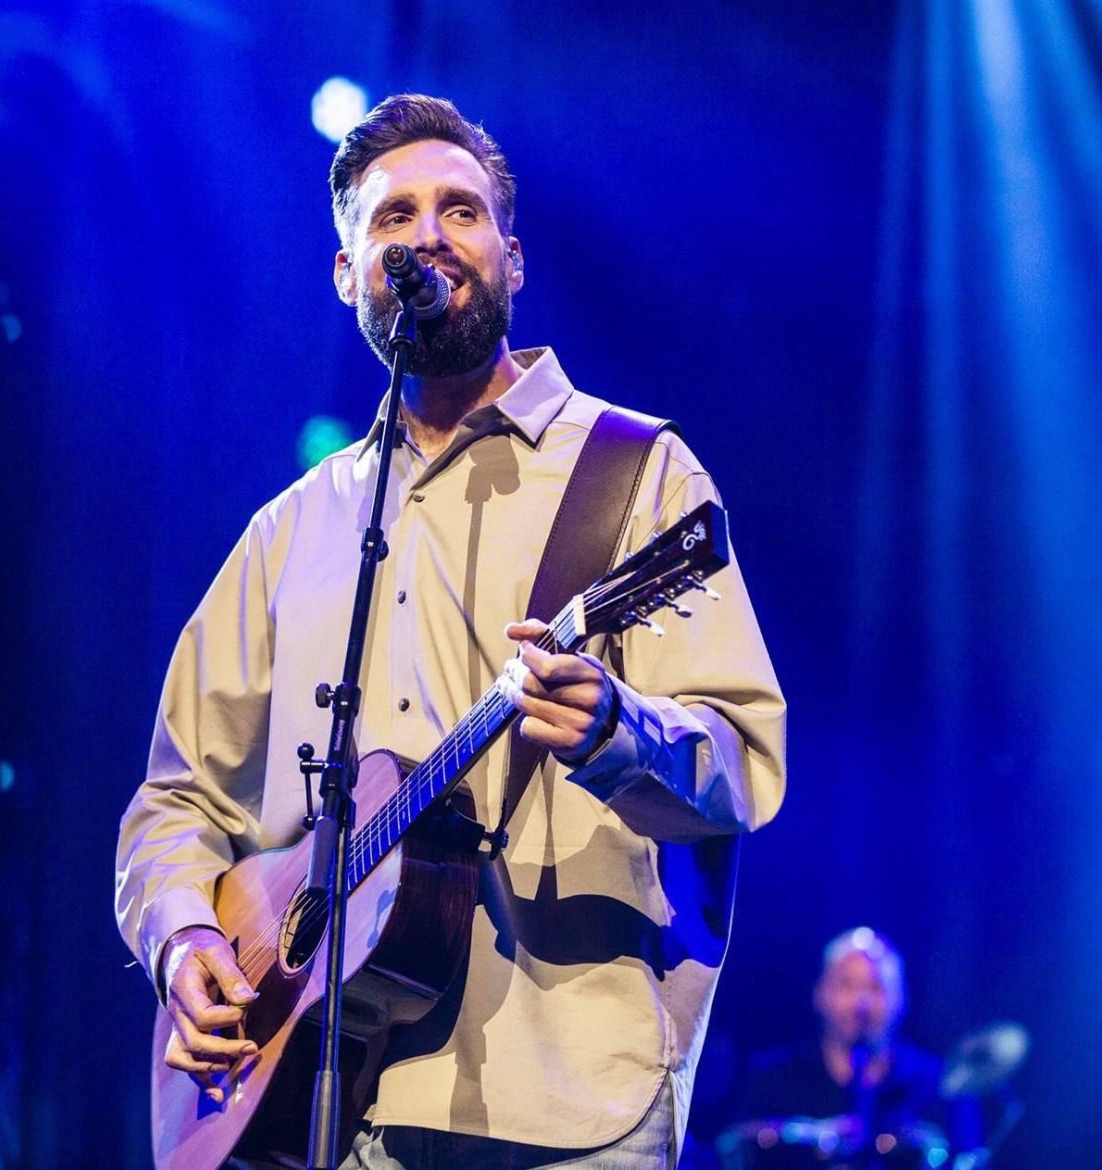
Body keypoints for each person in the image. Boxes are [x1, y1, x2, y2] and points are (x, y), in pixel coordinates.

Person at [115, 93, 786, 1170]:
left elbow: (743, 765)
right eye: (394, 218)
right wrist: (186, 934)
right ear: (348, 276)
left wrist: (618, 727)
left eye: (460, 212)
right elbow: (175, 800)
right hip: (337, 1100)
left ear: (512, 260)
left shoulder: (635, 472)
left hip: (571, 1098)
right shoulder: (292, 530)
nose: (428, 236)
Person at [718, 927, 982, 1168]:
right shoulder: (773, 1078)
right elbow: (734, 1151)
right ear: (820, 993)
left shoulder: (942, 1086)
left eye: (876, 988)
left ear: (902, 999)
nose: (861, 1004)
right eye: (847, 985)